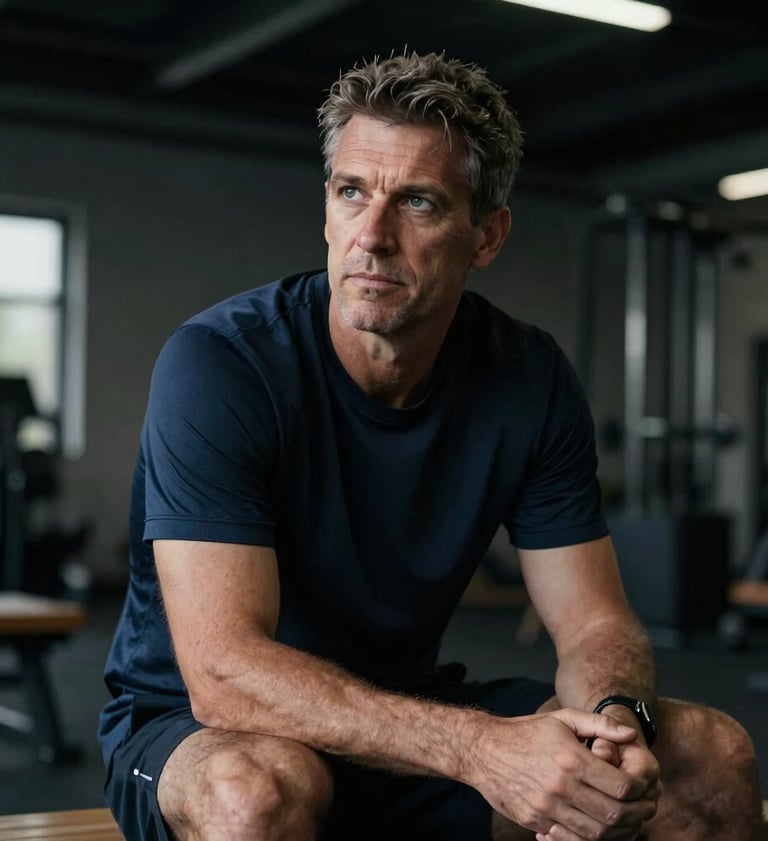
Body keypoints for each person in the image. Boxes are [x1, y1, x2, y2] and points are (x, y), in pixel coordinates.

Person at [98, 51, 764, 841]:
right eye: (352, 193)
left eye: (417, 202)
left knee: (709, 757)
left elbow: (594, 625)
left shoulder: (529, 376)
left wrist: (614, 721)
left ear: (487, 235)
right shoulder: (222, 364)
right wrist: (482, 749)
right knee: (256, 794)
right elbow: (223, 674)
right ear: (327, 206)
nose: (372, 237)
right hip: (198, 731)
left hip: (408, 715)